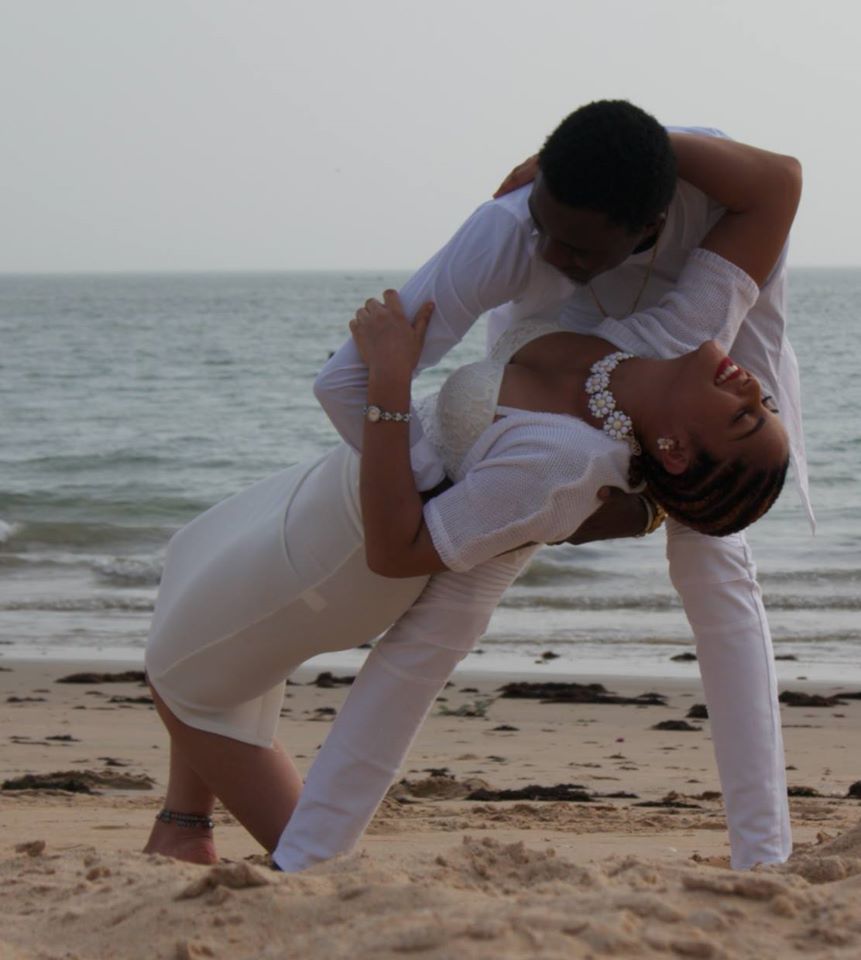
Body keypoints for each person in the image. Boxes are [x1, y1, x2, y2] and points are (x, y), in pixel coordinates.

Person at [141, 121, 800, 871]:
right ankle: (219, 836)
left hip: (345, 551)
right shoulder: (668, 335)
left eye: (747, 414)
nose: (753, 382)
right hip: (322, 497)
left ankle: (301, 868)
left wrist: (393, 385)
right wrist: (619, 145)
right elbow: (777, 186)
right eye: (767, 405)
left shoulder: (561, 460)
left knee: (183, 676)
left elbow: (398, 546)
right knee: (190, 570)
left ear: (677, 450)